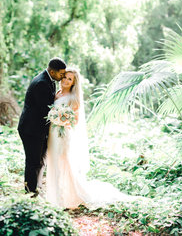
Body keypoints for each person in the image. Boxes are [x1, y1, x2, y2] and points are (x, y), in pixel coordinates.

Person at [46, 67, 133, 209]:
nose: (66, 81)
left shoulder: (73, 99)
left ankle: (66, 197)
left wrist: (61, 120)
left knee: (64, 164)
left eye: (70, 79)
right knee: (53, 162)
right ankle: (55, 196)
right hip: (52, 134)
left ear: (74, 83)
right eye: (65, 77)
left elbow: (74, 121)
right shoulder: (57, 94)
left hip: (63, 134)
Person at [18, 58, 66, 196]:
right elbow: (46, 110)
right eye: (61, 74)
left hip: (37, 128)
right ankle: (30, 192)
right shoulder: (41, 83)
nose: (62, 76)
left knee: (38, 160)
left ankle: (35, 187)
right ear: (52, 71)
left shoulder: (49, 80)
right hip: (31, 129)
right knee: (33, 161)